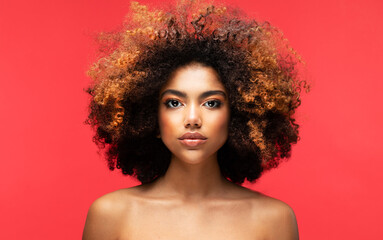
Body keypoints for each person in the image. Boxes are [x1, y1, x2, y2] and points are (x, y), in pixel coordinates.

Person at [82, 1, 309, 239]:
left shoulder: (274, 220)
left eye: (211, 103)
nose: (192, 119)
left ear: (238, 116)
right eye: (174, 103)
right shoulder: (111, 215)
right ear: (150, 118)